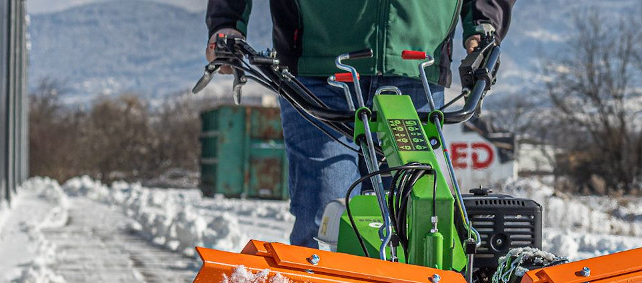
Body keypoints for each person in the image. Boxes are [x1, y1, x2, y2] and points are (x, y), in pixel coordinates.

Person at [204, 0, 515, 248]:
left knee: (414, 221)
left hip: (417, 68)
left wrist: (483, 21)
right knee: (324, 219)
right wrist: (226, 22)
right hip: (317, 64)